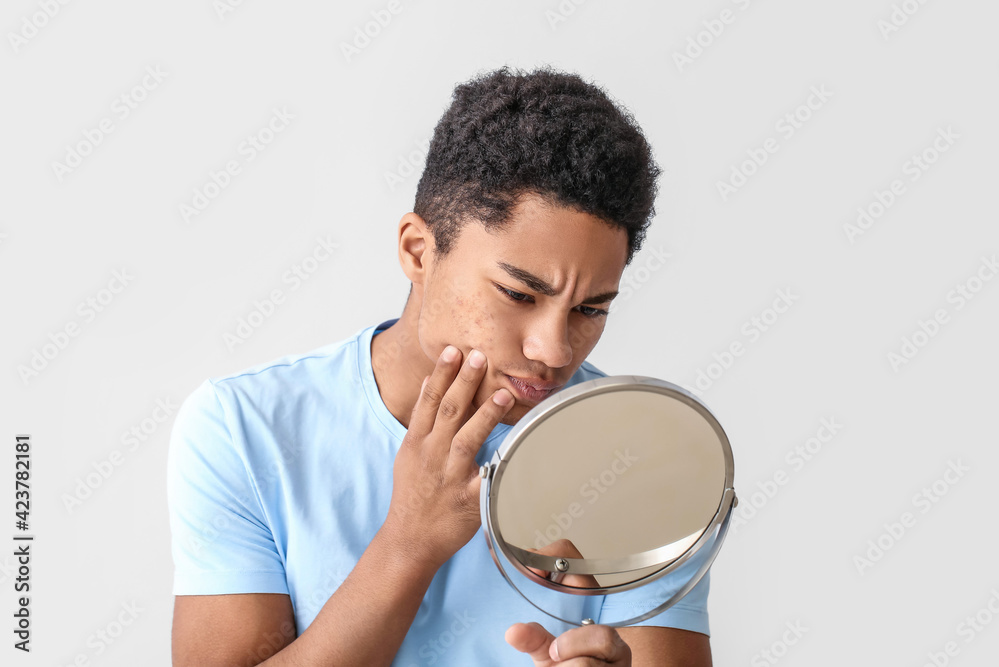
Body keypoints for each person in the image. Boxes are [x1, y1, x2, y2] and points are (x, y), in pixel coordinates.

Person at [167, 65, 714, 666]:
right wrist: (410, 541)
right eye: (520, 295)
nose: (554, 350)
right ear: (417, 251)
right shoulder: (242, 428)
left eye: (589, 308)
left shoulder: (644, 454)